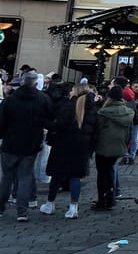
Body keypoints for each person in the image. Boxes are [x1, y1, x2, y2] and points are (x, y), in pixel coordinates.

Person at [0, 71, 51, 221]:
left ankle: (1, 207)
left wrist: (2, 136)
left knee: (7, 177)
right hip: (31, 143)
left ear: (22, 82)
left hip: (11, 142)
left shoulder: (11, 99)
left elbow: (2, 121)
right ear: (35, 83)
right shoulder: (42, 99)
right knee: (25, 176)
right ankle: (22, 211)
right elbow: (49, 119)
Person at [43, 80, 97, 219]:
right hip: (82, 146)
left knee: (57, 174)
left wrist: (46, 124)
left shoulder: (69, 106)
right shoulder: (92, 108)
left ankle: (50, 203)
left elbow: (59, 125)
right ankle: (74, 207)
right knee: (75, 176)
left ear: (76, 91)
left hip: (63, 144)